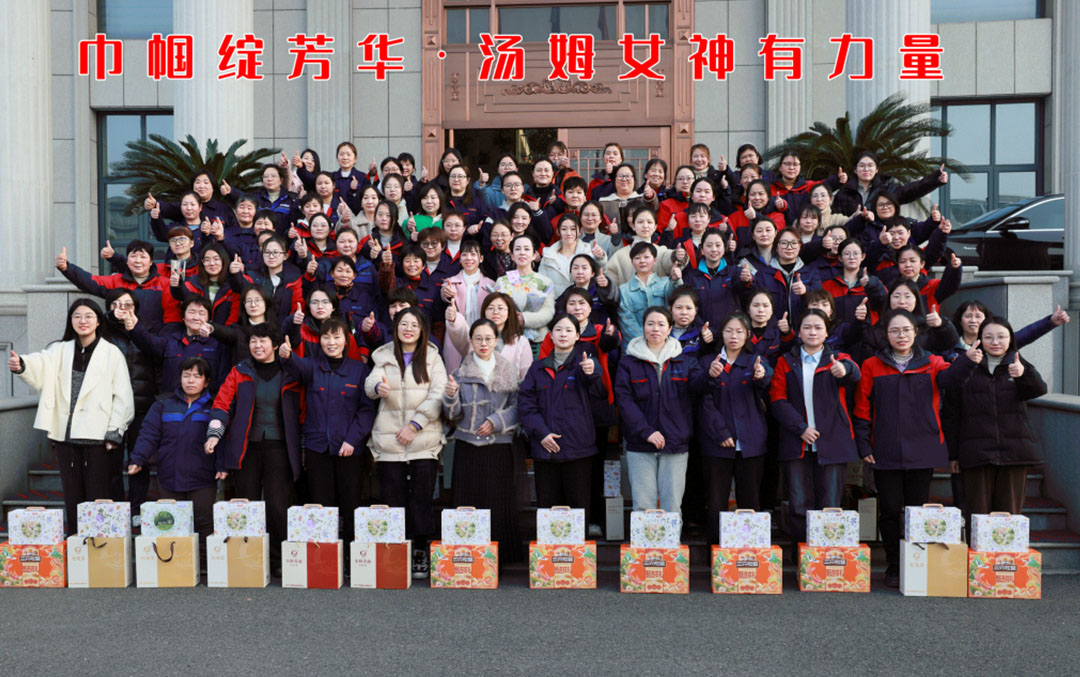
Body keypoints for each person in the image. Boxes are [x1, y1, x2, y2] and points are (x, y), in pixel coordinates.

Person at [854, 308, 975, 588]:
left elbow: (952, 379)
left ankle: (916, 565)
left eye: (906, 330)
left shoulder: (932, 362)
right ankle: (894, 565)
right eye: (894, 331)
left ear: (916, 333)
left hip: (923, 447)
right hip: (884, 447)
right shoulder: (871, 365)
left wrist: (967, 361)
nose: (901, 335)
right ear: (886, 335)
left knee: (916, 511)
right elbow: (862, 407)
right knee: (889, 509)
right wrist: (863, 443)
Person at [9, 298, 135, 534]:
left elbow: (123, 396)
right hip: (66, 434)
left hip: (99, 436)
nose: (82, 321)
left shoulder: (111, 353)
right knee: (72, 492)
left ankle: (98, 541)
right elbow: (40, 363)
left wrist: (114, 430)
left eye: (88, 316)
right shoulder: (59, 350)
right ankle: (75, 539)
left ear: (98, 321)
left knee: (99, 493)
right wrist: (22, 364)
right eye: (77, 316)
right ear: (71, 321)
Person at [206, 324, 301, 573]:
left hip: (279, 449)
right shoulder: (240, 371)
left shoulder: (291, 372)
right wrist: (214, 435)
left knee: (277, 506)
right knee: (245, 504)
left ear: (275, 344)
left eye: (263, 341)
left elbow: (304, 408)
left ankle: (278, 560)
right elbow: (222, 404)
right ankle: (248, 559)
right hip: (246, 450)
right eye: (253, 341)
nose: (257, 346)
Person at [365, 308, 448, 579]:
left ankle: (420, 549)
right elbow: (371, 381)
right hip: (389, 440)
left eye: (414, 324)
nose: (408, 329)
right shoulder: (383, 354)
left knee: (421, 498)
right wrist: (377, 387)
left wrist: (415, 425)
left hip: (423, 440)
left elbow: (438, 395)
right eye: (403, 324)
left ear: (422, 330)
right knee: (393, 498)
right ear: (396, 327)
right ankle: (396, 551)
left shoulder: (432, 357)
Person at [768, 309, 861, 549]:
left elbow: (854, 372)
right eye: (807, 327)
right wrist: (800, 428)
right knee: (799, 504)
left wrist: (844, 370)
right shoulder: (785, 361)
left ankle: (826, 557)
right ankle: (802, 557)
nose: (812, 332)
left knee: (830, 504)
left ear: (827, 332)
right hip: (797, 440)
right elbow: (777, 399)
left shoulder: (838, 358)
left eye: (818, 327)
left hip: (833, 440)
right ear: (798, 332)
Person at [279, 318, 377, 542]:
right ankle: (325, 556)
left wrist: (352, 440)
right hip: (318, 449)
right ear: (320, 340)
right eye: (326, 337)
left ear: (346, 341)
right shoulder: (312, 367)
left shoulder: (360, 370)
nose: (331, 342)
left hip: (350, 450)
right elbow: (295, 365)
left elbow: (367, 411)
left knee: (351, 505)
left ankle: (352, 554)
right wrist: (286, 355)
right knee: (322, 507)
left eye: (336, 337)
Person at [944, 317, 1047, 516]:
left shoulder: (1017, 363)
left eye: (1001, 337)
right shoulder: (967, 365)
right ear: (980, 339)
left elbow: (1038, 390)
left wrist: (1023, 374)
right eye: (989, 337)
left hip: (1014, 453)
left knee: (1008, 517)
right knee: (977, 516)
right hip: (976, 453)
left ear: (1010, 340)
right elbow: (951, 413)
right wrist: (953, 455)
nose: (995, 342)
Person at [442, 319, 522, 564]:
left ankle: (502, 558)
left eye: (488, 338)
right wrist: (450, 397)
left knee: (498, 501)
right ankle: (468, 557)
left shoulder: (508, 370)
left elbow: (518, 407)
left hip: (499, 446)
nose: (483, 343)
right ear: (471, 341)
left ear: (496, 340)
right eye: (478, 338)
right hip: (468, 446)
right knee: (469, 501)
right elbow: (452, 415)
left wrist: (496, 422)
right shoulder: (460, 373)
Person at [615, 306, 706, 515]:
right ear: (643, 327)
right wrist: (646, 431)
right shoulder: (628, 363)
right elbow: (624, 401)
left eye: (661, 324)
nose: (655, 328)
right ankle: (644, 539)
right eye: (650, 324)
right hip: (640, 442)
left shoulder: (685, 361)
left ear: (670, 329)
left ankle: (671, 538)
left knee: (672, 506)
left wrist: (711, 375)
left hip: (675, 441)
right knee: (643, 506)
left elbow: (698, 387)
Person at [518, 314, 605, 525]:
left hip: (578, 449)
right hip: (545, 450)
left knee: (578, 510)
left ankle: (579, 548)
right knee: (548, 510)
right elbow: (526, 405)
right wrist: (542, 433)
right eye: (558, 329)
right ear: (550, 335)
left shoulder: (584, 364)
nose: (563, 334)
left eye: (568, 330)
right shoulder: (538, 368)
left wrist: (592, 371)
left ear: (578, 336)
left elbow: (597, 386)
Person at [128, 357, 223, 551]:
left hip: (202, 478)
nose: (190, 380)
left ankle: (203, 564)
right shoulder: (163, 404)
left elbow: (224, 440)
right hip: (169, 476)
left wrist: (223, 465)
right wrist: (138, 458)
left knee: (204, 524)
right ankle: (178, 564)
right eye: (186, 375)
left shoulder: (214, 406)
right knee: (173, 526)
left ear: (206, 382)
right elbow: (149, 434)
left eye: (197, 376)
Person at [700, 312, 773, 543]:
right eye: (729, 331)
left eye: (739, 331)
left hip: (751, 443)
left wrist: (761, 376)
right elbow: (703, 402)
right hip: (716, 444)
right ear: (721, 334)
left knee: (750, 501)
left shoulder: (755, 361)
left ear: (747, 335)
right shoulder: (709, 362)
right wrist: (720, 432)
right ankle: (715, 552)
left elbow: (766, 382)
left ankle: (749, 551)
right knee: (716, 502)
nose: (734, 336)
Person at [440, 240, 494, 373]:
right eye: (464, 254)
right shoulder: (451, 282)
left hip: (483, 337)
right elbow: (445, 292)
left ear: (481, 258)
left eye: (473, 254)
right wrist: (446, 293)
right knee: (455, 375)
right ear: (460, 259)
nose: (468, 258)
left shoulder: (491, 285)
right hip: (457, 337)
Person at [493, 234, 555, 348]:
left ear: (534, 255)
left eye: (526, 249)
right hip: (508, 339)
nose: (522, 253)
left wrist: (524, 319)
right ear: (512, 255)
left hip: (538, 340)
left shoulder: (545, 282)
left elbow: (548, 312)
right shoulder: (502, 282)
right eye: (517, 249)